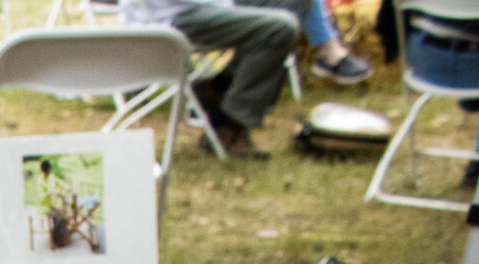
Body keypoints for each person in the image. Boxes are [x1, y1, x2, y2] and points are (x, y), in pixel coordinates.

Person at [121, 0, 371, 158]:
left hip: (208, 6)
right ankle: (230, 123)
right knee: (280, 28)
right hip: (173, 15)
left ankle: (217, 90)